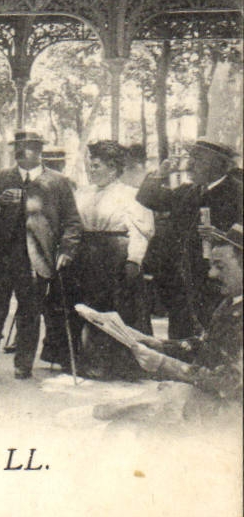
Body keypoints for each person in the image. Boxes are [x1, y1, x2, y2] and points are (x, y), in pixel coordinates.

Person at [92, 220, 242, 425]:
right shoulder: (230, 303)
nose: (211, 274)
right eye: (211, 265)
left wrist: (165, 364)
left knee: (129, 422)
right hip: (211, 399)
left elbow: (229, 381)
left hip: (231, 415)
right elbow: (202, 345)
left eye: (220, 266)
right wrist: (154, 343)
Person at [0, 130, 82, 381]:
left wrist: (66, 250)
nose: (23, 151)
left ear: (40, 150)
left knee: (30, 312)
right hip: (1, 257)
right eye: (19, 146)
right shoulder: (0, 177)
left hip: (36, 257)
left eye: (30, 146)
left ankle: (24, 364)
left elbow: (72, 221)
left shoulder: (57, 182)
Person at [138, 139, 242, 337]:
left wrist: (223, 237)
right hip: (183, 282)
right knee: (181, 336)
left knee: (216, 336)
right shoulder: (188, 192)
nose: (189, 165)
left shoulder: (237, 191)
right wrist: (160, 174)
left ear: (220, 165)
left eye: (198, 159)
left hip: (217, 282)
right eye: (190, 158)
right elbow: (148, 198)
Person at [69, 140, 155, 380]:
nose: (91, 170)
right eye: (90, 165)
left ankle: (119, 365)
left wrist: (134, 260)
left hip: (114, 257)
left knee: (114, 308)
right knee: (87, 307)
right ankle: (88, 360)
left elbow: (140, 230)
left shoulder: (130, 195)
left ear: (113, 167)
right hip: (86, 254)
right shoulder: (82, 193)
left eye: (96, 166)